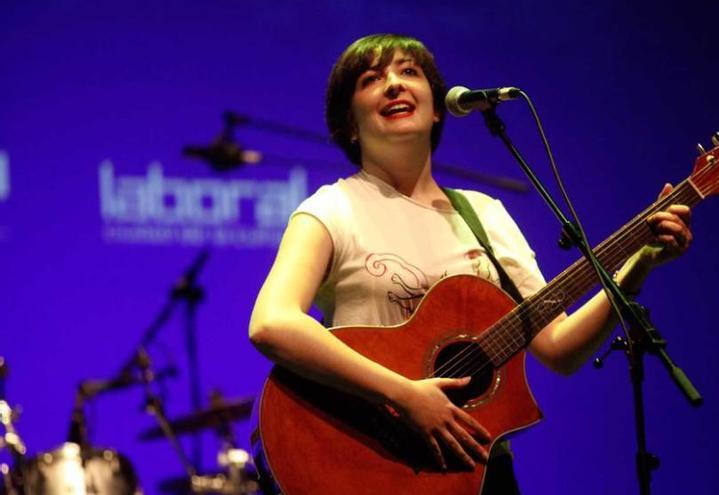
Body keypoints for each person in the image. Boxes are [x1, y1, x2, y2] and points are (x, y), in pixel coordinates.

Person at [249, 33, 693, 494]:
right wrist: (405, 395)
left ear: (437, 107)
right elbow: (272, 323)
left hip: (477, 472)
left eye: (409, 72)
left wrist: (637, 265)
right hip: (372, 467)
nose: (394, 84)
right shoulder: (331, 209)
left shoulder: (485, 215)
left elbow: (559, 348)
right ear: (350, 124)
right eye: (371, 79)